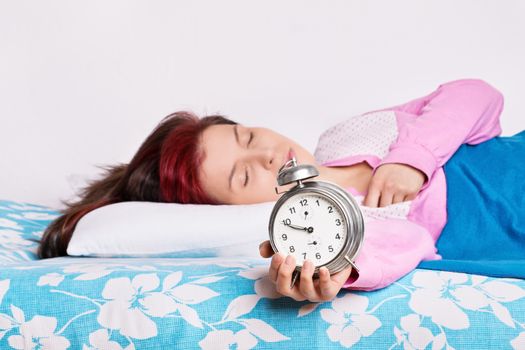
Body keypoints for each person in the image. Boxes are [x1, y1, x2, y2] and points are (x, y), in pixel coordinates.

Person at [38, 78, 521, 303]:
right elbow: (388, 255)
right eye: (244, 177)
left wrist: (411, 158)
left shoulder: (350, 135)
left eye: (246, 137)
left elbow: (476, 96)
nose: (267, 155)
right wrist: (332, 275)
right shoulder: (338, 225)